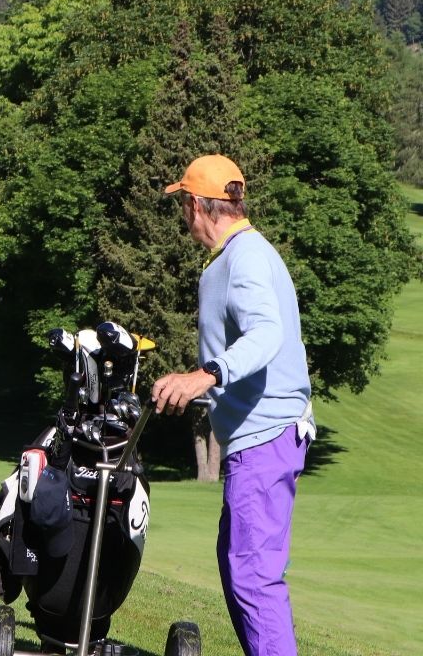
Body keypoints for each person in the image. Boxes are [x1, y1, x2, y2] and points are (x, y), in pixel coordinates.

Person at [152, 154, 315, 656]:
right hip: (258, 439)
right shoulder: (239, 255)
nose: (183, 217)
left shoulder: (245, 257)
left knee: (253, 578)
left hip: (266, 437)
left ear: (199, 205)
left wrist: (206, 375)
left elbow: (267, 333)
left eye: (184, 204)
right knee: (238, 566)